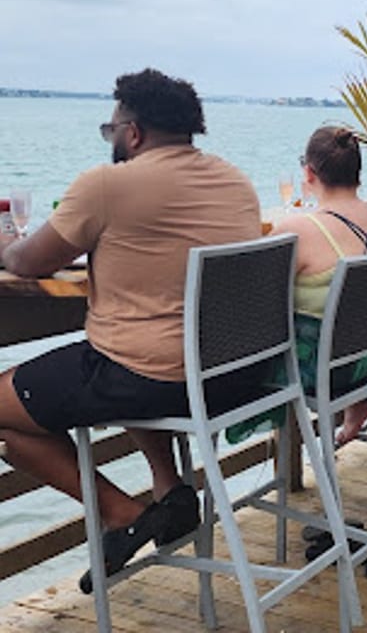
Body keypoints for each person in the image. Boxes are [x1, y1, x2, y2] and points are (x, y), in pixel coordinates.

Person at [0, 68, 262, 591]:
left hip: (156, 376)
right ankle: (171, 490)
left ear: (133, 132)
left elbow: (28, 262)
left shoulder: (107, 185)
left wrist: (6, 242)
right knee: (122, 349)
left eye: (111, 128)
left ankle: (122, 512)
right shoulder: (235, 181)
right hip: (233, 376)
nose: (111, 139)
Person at [269, 126, 367, 446]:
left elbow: (256, 296)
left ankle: (278, 464)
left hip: (322, 371)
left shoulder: (298, 230)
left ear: (309, 173)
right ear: (357, 172)